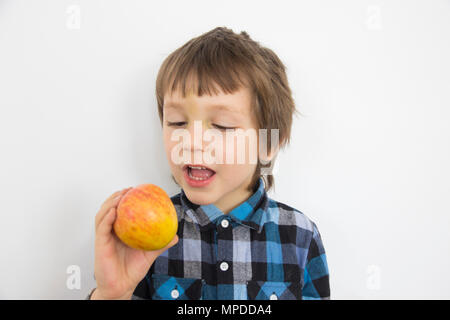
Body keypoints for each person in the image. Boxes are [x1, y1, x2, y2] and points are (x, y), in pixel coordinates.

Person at [88, 27, 330, 300]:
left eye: (222, 126)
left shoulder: (301, 236)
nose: (192, 141)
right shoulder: (145, 243)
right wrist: (112, 293)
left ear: (268, 144)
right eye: (178, 123)